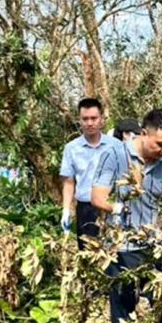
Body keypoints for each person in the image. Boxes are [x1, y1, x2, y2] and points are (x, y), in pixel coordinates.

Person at [91, 109, 162, 323]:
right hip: (121, 245)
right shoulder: (115, 155)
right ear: (144, 134)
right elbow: (97, 197)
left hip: (153, 243)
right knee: (124, 303)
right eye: (161, 144)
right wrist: (117, 206)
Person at [60, 98, 120, 250]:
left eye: (94, 118)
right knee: (88, 255)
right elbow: (68, 182)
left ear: (101, 119)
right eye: (85, 119)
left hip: (111, 207)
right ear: (79, 120)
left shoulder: (116, 146)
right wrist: (66, 210)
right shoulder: (71, 148)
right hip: (85, 209)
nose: (89, 123)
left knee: (114, 252)